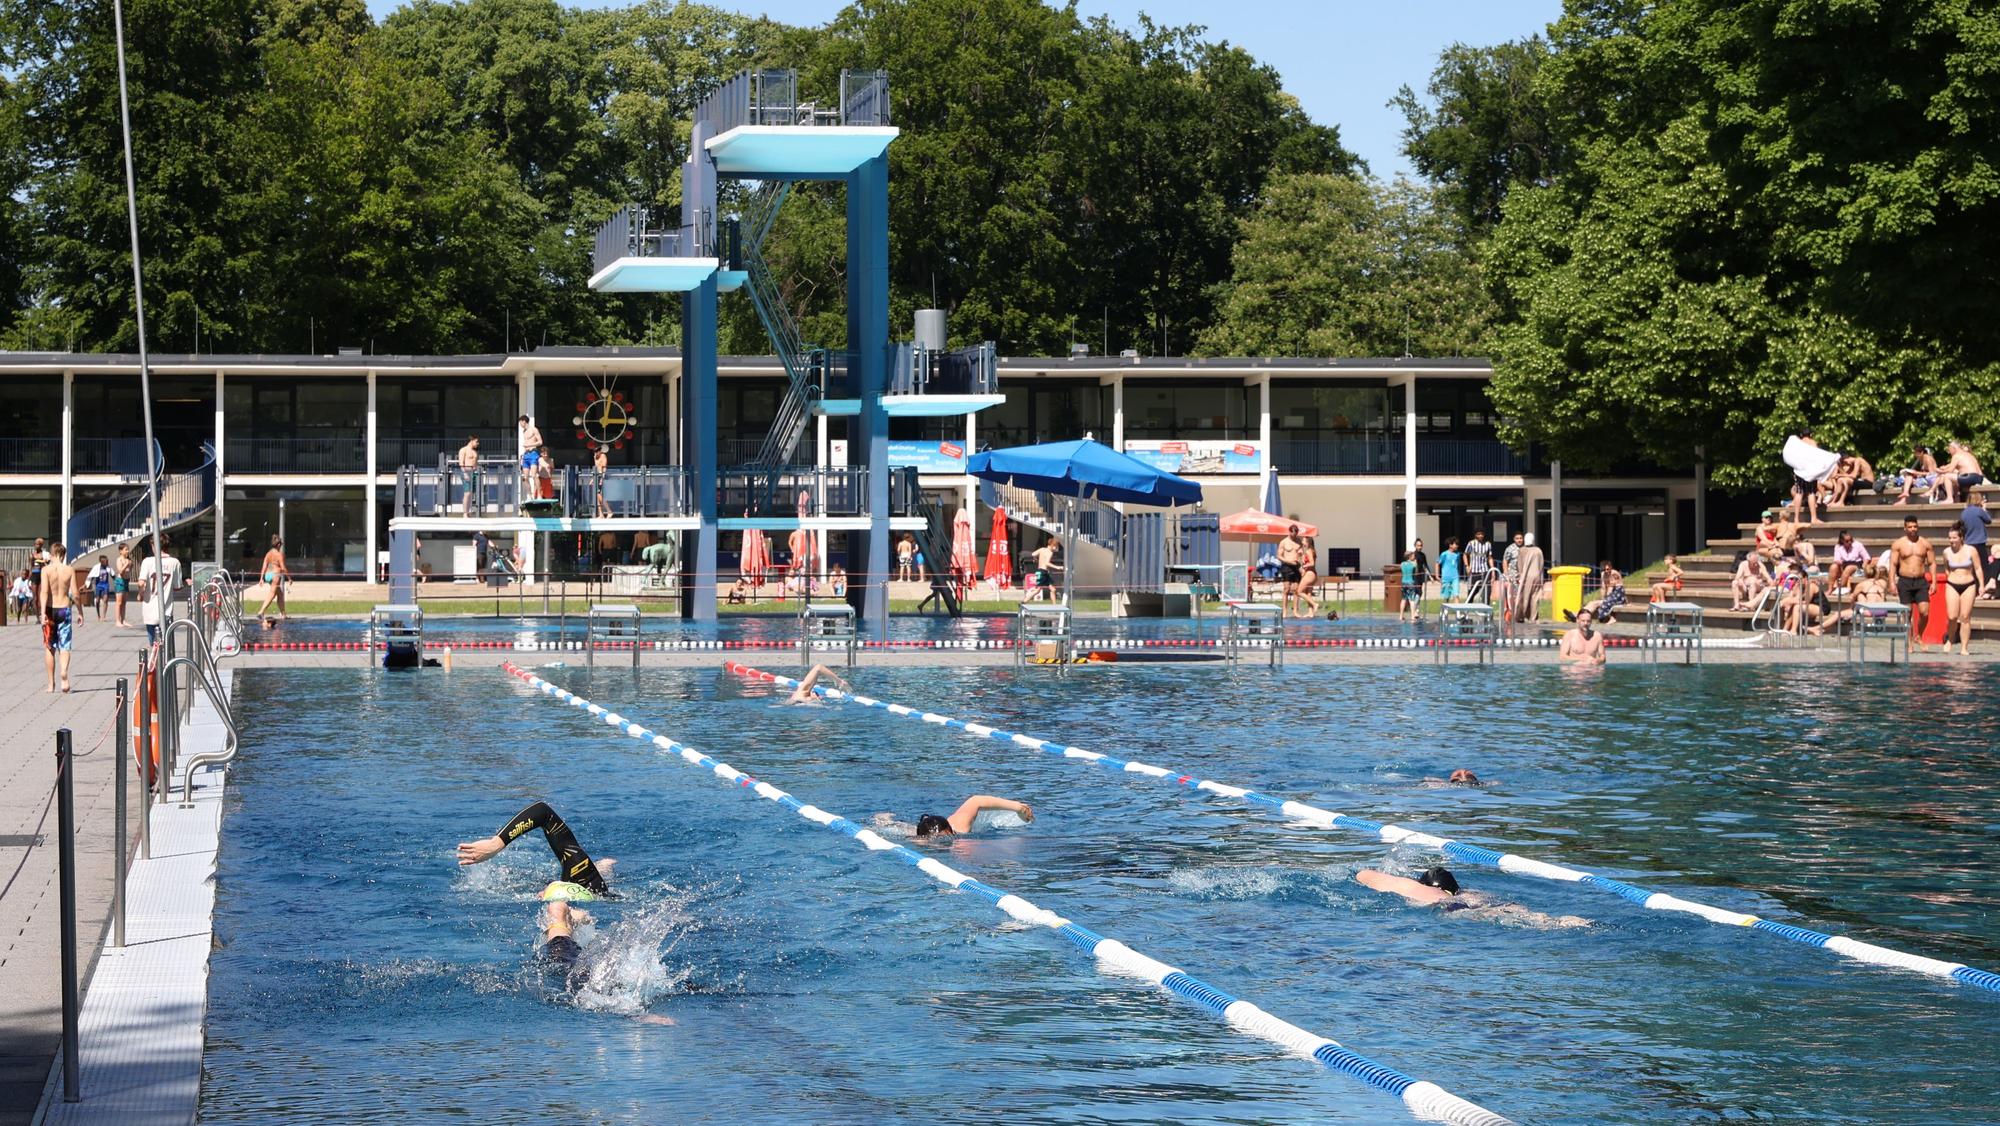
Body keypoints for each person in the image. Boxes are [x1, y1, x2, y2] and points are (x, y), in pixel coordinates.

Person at [1355, 867, 1588, 928]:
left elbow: (1363, 874)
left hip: (1451, 908)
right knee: (1523, 914)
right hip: (1486, 902)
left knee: (1490, 916)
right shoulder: (1470, 893)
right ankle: (1559, 920)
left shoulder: (1415, 889)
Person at [1888, 515, 1937, 650]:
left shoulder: (1925, 544)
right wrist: (1891, 582)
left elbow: (1932, 563)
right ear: (1905, 528)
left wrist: (1934, 581)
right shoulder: (1898, 544)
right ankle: (1909, 642)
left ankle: (1919, 635)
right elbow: (1893, 564)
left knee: (1924, 612)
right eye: (1910, 527)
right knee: (1907, 614)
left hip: (1921, 581)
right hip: (1905, 580)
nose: (1913, 529)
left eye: (1915, 526)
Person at [39, 543, 79, 692]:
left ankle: (51, 685)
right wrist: (80, 612)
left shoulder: (46, 570)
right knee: (65, 645)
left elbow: (44, 592)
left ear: (51, 554)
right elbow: (75, 593)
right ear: (63, 555)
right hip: (64, 609)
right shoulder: (69, 570)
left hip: (50, 609)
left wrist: (43, 612)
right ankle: (63, 671)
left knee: (50, 647)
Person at [1941, 526, 1983, 655]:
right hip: (1952, 584)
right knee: (1952, 616)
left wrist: (1981, 585)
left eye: (1954, 538)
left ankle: (1964, 647)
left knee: (1965, 617)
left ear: (1961, 538)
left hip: (1968, 584)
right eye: (1950, 538)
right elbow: (1946, 568)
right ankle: (1950, 639)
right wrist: (1951, 577)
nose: (1951, 540)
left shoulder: (1971, 550)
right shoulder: (1946, 552)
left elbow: (1978, 568)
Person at [912, 795, 1035, 838]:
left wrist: (1017, 807)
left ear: (950, 831)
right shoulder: (921, 840)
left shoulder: (960, 826)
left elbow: (976, 800)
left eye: (944, 838)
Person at [136, 536, 184, 645]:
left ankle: (156, 654)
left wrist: (140, 594)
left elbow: (141, 583)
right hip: (166, 609)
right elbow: (177, 587)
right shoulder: (175, 562)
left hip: (150, 609)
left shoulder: (147, 561)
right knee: (166, 642)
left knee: (154, 643)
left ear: (154, 546)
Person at [1512, 533, 1546, 623]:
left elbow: (1520, 565)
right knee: (1535, 597)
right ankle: (1533, 617)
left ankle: (1521, 615)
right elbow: (1541, 564)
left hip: (1526, 576)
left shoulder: (1522, 550)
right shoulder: (1538, 550)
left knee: (1524, 596)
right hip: (1537, 576)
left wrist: (1520, 576)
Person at [1937, 440, 1985, 505]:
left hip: (1969, 477)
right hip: (1979, 478)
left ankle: (1949, 499)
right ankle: (1957, 498)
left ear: (1954, 448)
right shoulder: (1969, 455)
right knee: (1955, 478)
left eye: (1949, 450)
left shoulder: (1956, 456)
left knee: (1947, 477)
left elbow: (1950, 470)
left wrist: (1940, 471)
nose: (1949, 452)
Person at [255, 535, 289, 620]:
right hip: (275, 575)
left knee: (280, 594)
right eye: (281, 545)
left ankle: (283, 614)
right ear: (278, 545)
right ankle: (261, 612)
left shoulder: (268, 554)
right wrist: (289, 578)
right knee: (272, 594)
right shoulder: (279, 555)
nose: (281, 546)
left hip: (268, 575)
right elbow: (283, 567)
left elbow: (264, 566)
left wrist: (261, 578)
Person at [1276, 526, 1305, 618]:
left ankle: (1295, 611)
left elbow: (1301, 554)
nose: (1294, 535)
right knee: (1286, 589)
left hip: (1296, 566)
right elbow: (1279, 556)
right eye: (1292, 533)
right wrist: (1289, 561)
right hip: (1287, 566)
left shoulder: (1299, 541)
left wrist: (1301, 561)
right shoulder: (1284, 542)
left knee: (1296, 590)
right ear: (1289, 532)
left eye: (1296, 533)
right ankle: (1284, 611)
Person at [1294, 535, 1321, 618]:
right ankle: (1310, 612)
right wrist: (1301, 556)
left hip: (1310, 574)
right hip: (1311, 573)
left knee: (1299, 591)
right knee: (1307, 593)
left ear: (1307, 542)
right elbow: (1306, 561)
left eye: (1303, 540)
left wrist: (1304, 566)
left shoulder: (1309, 551)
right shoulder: (1311, 550)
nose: (1302, 541)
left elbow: (1312, 563)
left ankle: (1314, 604)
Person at [1463, 530, 1493, 603]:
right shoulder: (1471, 543)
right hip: (1474, 571)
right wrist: (1467, 566)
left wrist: (1492, 569)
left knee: (1487, 589)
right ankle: (1468, 606)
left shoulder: (1488, 544)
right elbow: (1465, 554)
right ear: (1475, 535)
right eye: (1478, 534)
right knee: (1473, 590)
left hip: (1485, 570)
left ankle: (1486, 606)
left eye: (1482, 534)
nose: (1480, 536)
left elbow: (1490, 557)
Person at [456, 436, 481, 517]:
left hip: (474, 473)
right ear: (471, 440)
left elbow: (476, 463)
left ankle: (469, 511)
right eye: (476, 441)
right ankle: (465, 513)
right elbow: (461, 463)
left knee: (472, 493)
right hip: (466, 472)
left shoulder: (475, 452)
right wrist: (464, 473)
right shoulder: (463, 450)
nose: (478, 443)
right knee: (467, 493)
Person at [112, 542, 134, 628]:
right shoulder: (119, 559)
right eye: (126, 550)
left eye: (128, 549)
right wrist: (126, 564)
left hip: (126, 581)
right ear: (121, 551)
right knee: (119, 602)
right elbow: (120, 571)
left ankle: (123, 620)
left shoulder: (127, 560)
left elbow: (129, 570)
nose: (127, 551)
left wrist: (130, 565)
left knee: (124, 602)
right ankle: (117, 621)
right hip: (120, 581)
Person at [1397, 550, 1421, 623]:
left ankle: (1401, 616)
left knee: (1403, 599)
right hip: (1410, 583)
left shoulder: (1402, 564)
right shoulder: (1413, 564)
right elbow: (1416, 572)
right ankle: (1412, 617)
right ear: (1409, 556)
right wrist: (1415, 563)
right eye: (1413, 555)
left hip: (1403, 583)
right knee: (1411, 600)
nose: (1414, 557)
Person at [1438, 537, 1462, 604]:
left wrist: (1458, 573)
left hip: (1455, 577)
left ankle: (1458, 610)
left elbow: (1457, 564)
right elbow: (1437, 563)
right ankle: (1445, 609)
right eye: (1455, 544)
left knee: (1456, 594)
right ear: (1450, 545)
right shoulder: (1444, 554)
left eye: (1457, 544)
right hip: (1446, 577)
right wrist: (1437, 576)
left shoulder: (1458, 554)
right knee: (1446, 596)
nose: (1457, 546)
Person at [88, 554, 111, 620]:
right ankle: (98, 615)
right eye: (106, 561)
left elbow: (113, 575)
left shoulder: (108, 568)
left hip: (105, 585)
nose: (107, 562)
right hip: (98, 585)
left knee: (105, 599)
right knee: (97, 600)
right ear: (102, 562)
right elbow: (92, 576)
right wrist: (87, 584)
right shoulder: (97, 568)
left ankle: (104, 616)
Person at [592, 444, 611, 517]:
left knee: (599, 494)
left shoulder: (603, 456)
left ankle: (609, 511)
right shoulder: (595, 457)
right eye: (595, 451)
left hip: (601, 476)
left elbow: (604, 467)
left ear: (600, 451)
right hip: (596, 476)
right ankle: (601, 514)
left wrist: (602, 478)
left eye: (597, 451)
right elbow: (596, 468)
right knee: (597, 495)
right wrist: (592, 479)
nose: (596, 452)